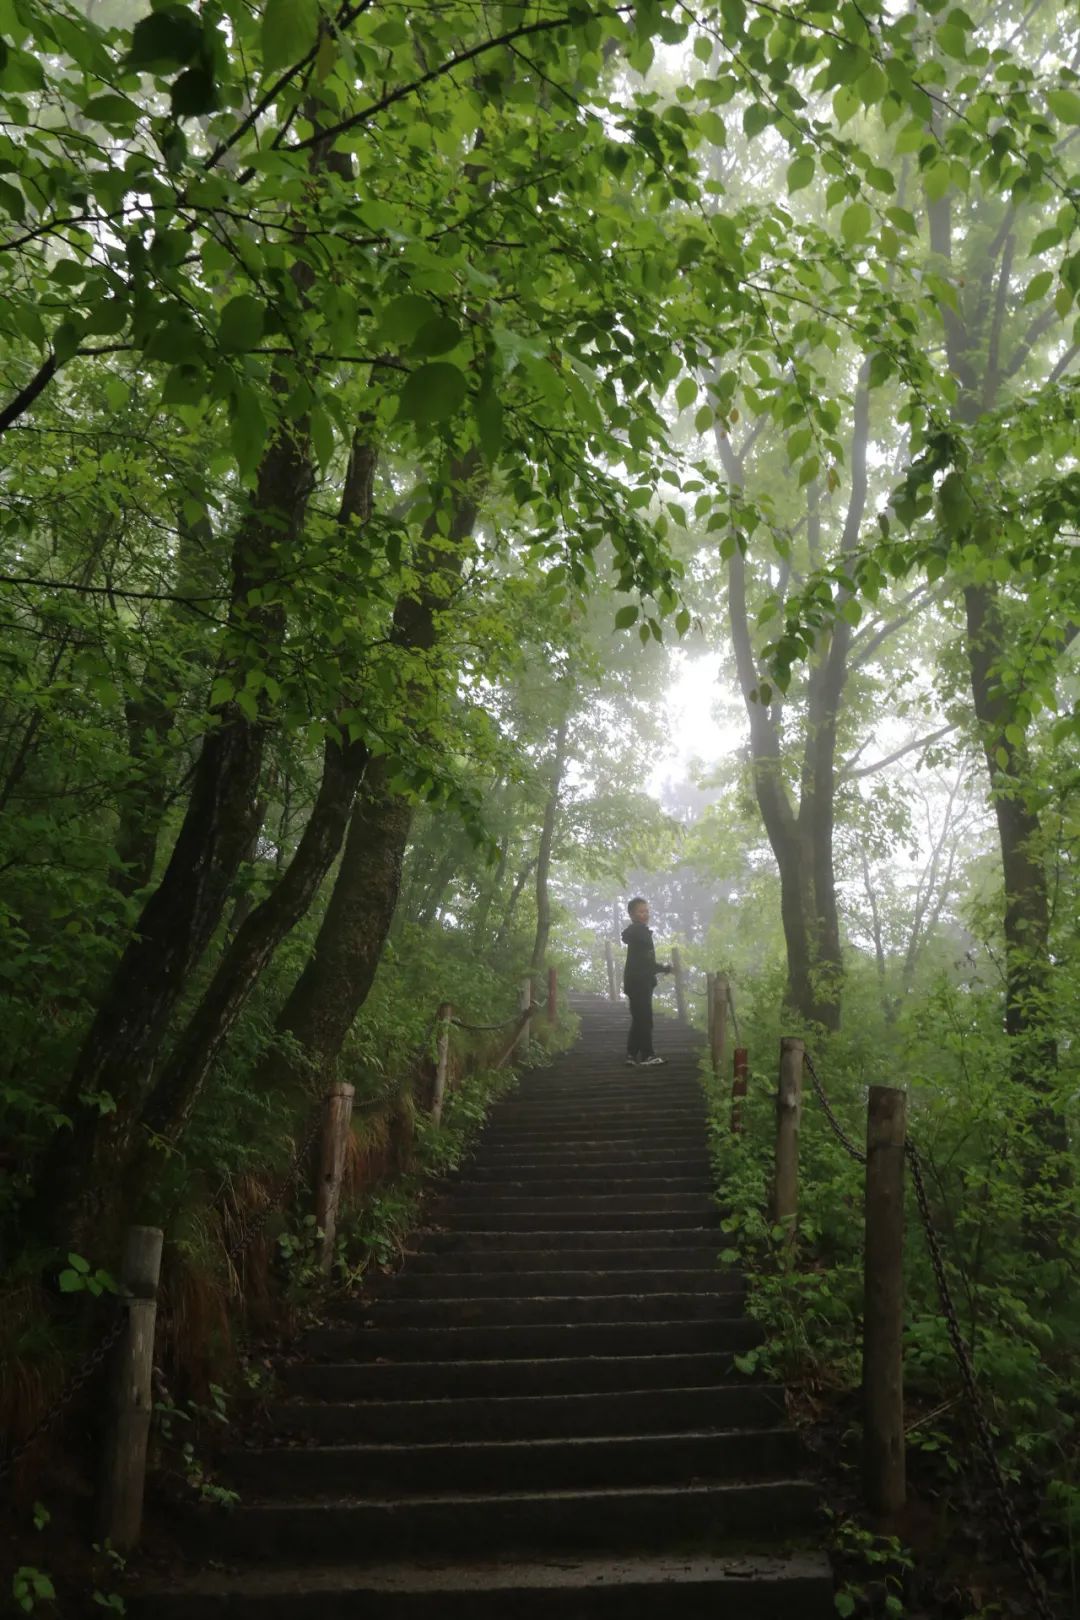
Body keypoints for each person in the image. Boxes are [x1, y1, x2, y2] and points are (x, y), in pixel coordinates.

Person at [621, 896, 671, 1066]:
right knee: (645, 1019)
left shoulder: (635, 932)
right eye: (641, 911)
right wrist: (664, 968)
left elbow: (642, 960)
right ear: (632, 914)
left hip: (633, 981)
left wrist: (661, 967)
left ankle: (631, 1054)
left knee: (639, 1018)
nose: (645, 914)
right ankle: (648, 1055)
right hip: (640, 982)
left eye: (647, 911)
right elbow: (647, 962)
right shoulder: (641, 933)